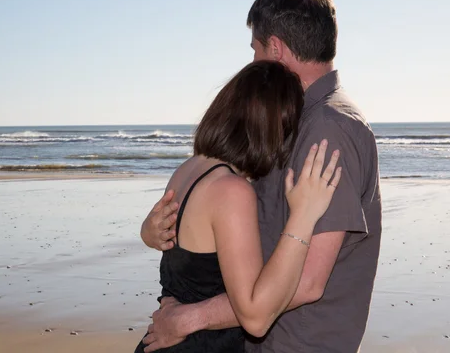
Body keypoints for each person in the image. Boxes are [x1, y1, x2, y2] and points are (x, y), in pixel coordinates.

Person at [140, 0, 382, 353]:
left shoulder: (329, 130)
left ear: (276, 48)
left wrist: (189, 319)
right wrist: (156, 231)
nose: (252, 62)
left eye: (255, 50)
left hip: (296, 343)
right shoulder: (292, 121)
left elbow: (306, 282)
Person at [134, 60, 342, 353]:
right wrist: (304, 216)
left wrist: (145, 232)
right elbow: (255, 317)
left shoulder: (189, 168)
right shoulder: (231, 191)